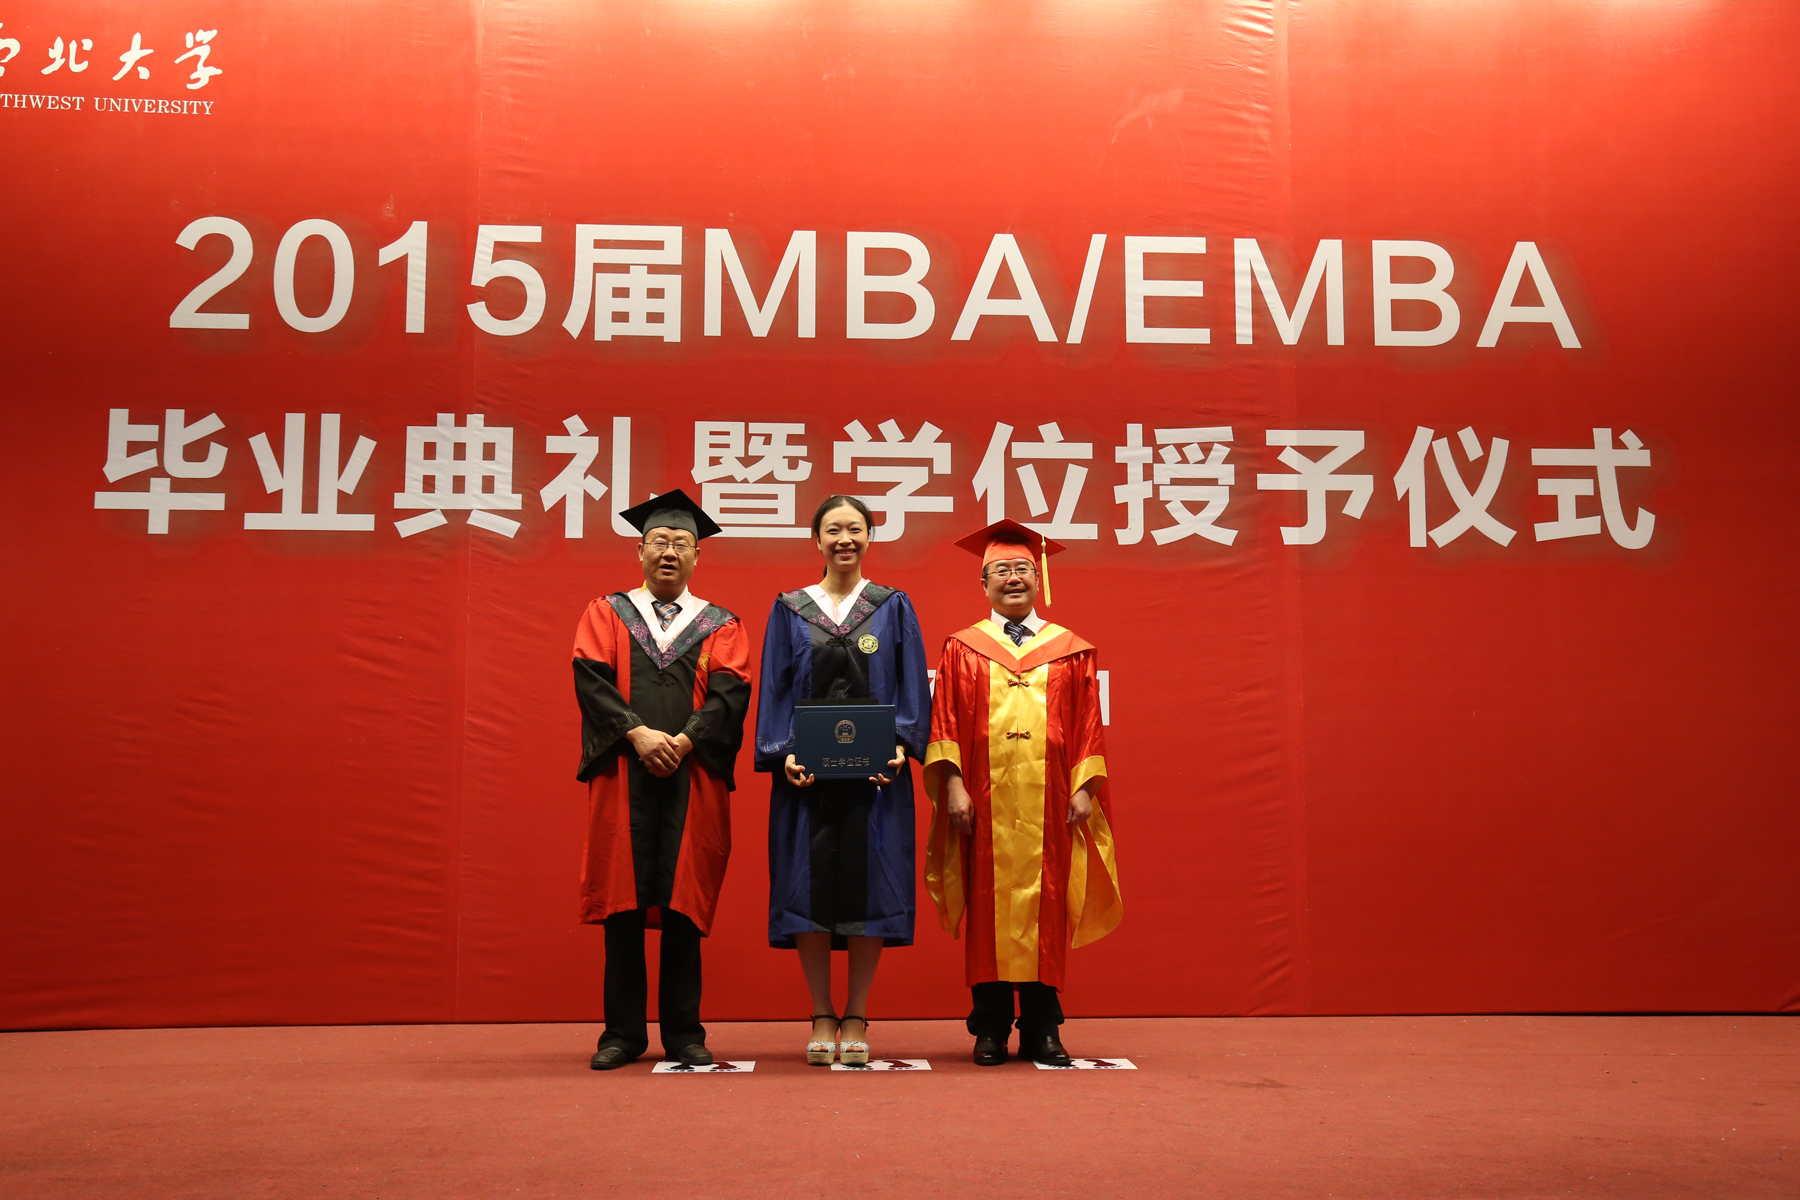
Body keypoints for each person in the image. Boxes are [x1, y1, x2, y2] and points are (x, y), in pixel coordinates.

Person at [923, 519, 1123, 1066]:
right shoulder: (962, 648)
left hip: (1051, 798)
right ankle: (989, 1028)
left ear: (1039, 578)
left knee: (1047, 905)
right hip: (983, 799)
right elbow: (945, 721)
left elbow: (1087, 724)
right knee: (988, 906)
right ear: (983, 583)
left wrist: (1084, 787)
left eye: (1023, 570)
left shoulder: (1070, 650)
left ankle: (1042, 1028)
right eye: (1001, 571)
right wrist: (955, 785)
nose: (1013, 579)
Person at [570, 488, 752, 1070]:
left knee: (682, 904)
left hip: (691, 774)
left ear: (698, 555)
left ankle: (683, 1033)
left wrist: (686, 739)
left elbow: (731, 693)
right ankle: (620, 1034)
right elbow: (592, 680)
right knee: (623, 903)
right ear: (640, 551)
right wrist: (638, 734)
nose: (669, 552)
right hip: (626, 769)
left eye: (681, 543)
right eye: (658, 542)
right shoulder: (607, 612)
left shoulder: (720, 624)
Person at [755, 495, 930, 1065]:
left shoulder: (892, 606)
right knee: (804, 889)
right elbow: (775, 687)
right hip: (805, 779)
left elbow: (910, 683)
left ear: (870, 537)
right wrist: (781, 751)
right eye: (833, 530)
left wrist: (902, 744)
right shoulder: (790, 609)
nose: (844, 539)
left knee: (870, 887)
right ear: (817, 540)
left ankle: (855, 1012)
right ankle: (821, 1013)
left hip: (876, 779)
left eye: (855, 528)